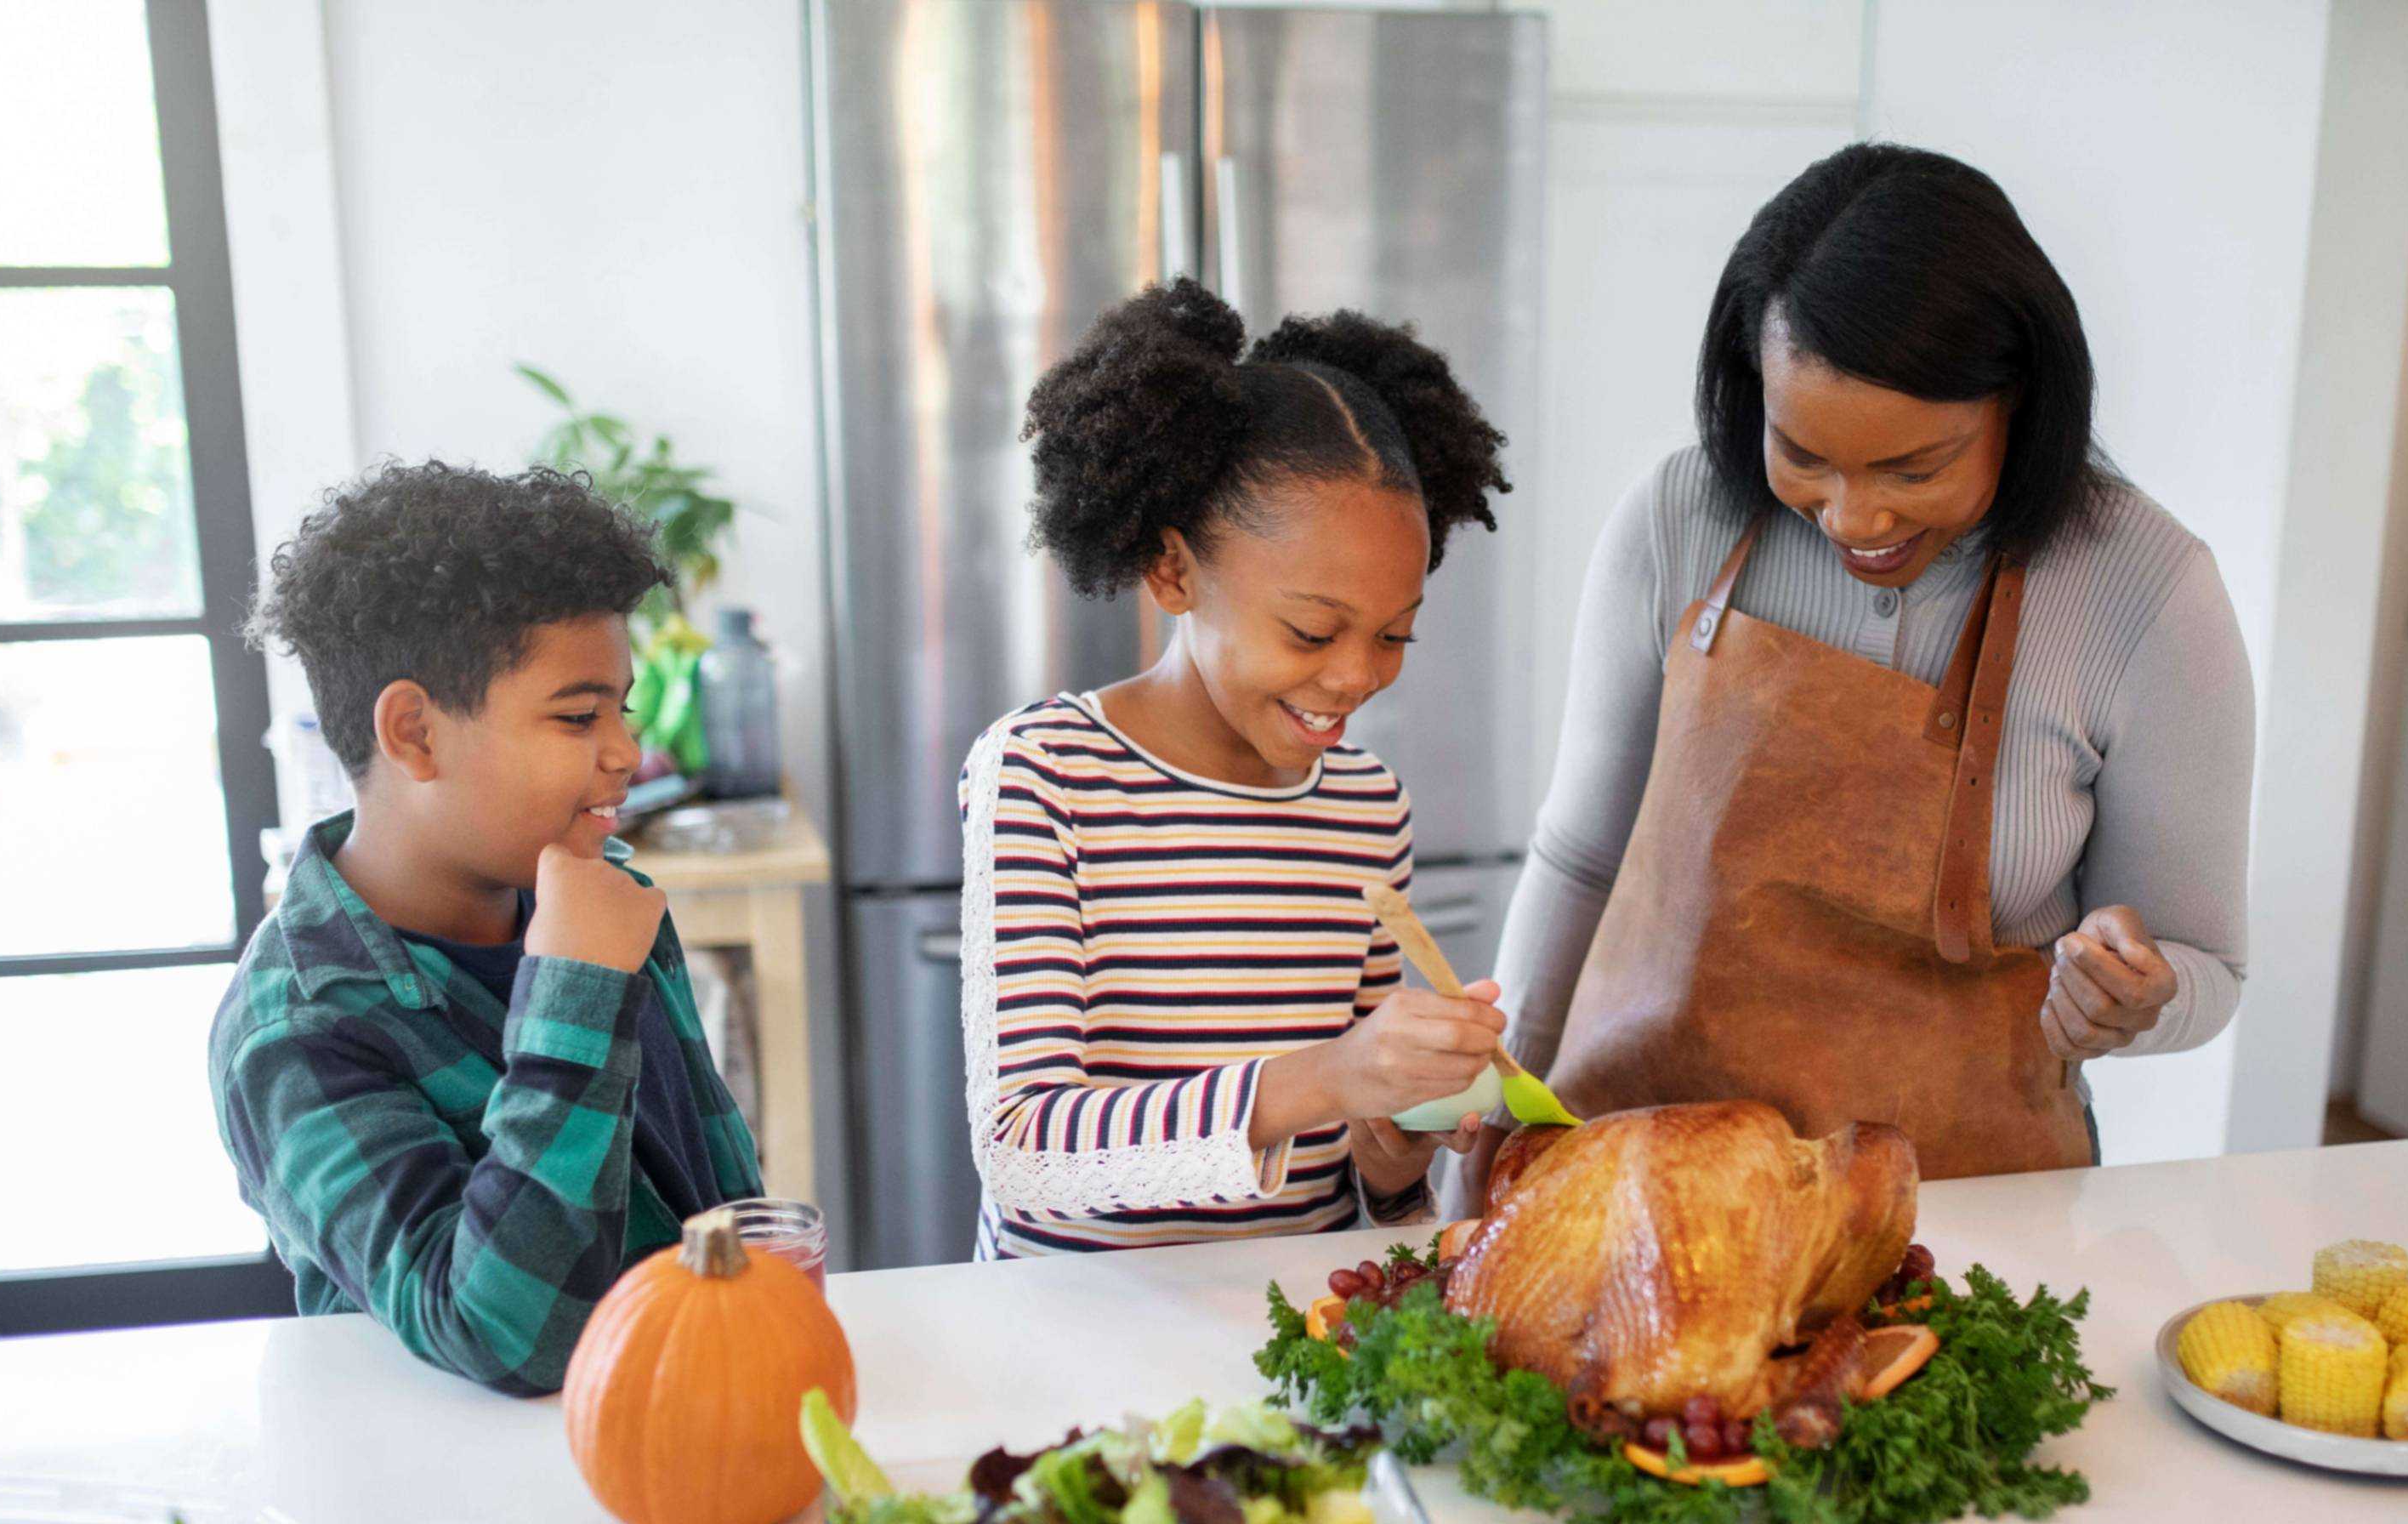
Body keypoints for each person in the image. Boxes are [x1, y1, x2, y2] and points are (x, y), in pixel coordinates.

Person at [1480, 143, 2254, 1186]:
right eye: (1802, 454)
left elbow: (2206, 965)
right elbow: (1582, 862)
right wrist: (1494, 1126)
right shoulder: (1678, 518)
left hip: (1971, 1207)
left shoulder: (2150, 590)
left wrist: (2138, 999)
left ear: (2020, 404)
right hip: (1655, 1184)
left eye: (1914, 467)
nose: (1855, 518)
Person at [960, 277, 1514, 1258]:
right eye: (1311, 629)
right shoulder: (1046, 775)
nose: (1355, 678)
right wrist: (1333, 1076)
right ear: (1173, 572)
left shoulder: (1368, 809)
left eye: (1395, 636)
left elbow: (1358, 1185)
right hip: (1071, 1351)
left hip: (1283, 1345)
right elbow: (1025, 1156)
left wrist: (1394, 1146)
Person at [211, 463, 761, 1392]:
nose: (626, 753)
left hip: (686, 1421)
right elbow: (504, 1335)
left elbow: (709, 1190)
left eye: (618, 709)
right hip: (456, 1500)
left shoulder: (598, 894)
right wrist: (574, 997)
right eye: (579, 715)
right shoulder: (298, 1030)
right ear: (415, 734)